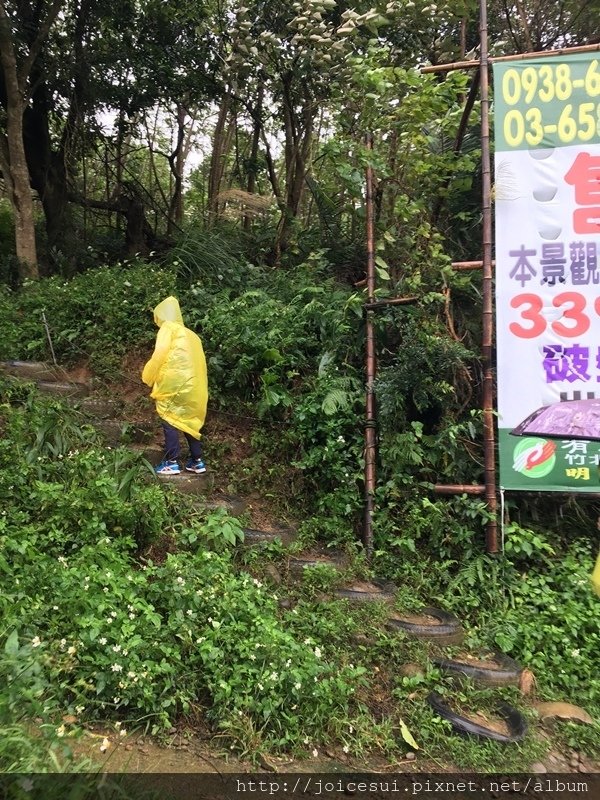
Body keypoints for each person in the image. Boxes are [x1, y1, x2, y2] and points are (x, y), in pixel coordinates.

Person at [142, 296, 208, 475]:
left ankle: (171, 462)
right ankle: (197, 461)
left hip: (174, 384)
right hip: (196, 386)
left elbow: (160, 355)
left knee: (168, 417)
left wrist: (148, 377)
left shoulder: (168, 329)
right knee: (189, 421)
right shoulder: (193, 335)